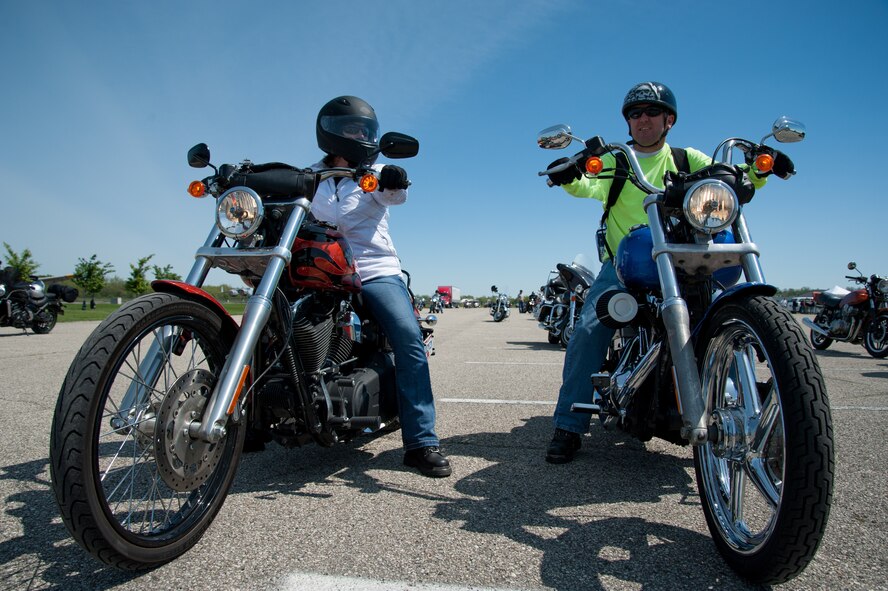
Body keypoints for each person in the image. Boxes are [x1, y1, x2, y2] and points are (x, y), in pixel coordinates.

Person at [542, 81, 794, 463]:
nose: (642, 119)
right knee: (589, 330)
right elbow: (585, 183)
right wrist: (569, 173)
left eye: (652, 112)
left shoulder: (686, 159)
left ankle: (737, 400)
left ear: (668, 120)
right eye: (635, 114)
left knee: (715, 313)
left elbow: (726, 179)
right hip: (626, 263)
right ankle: (568, 425)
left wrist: (761, 166)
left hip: (684, 258)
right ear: (628, 122)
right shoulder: (617, 159)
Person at [309, 95, 451, 477]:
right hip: (322, 270)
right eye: (352, 129)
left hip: (372, 269)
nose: (360, 136)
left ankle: (421, 442)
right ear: (332, 132)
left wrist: (394, 178)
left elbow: (395, 193)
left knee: (408, 338)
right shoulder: (309, 176)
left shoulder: (374, 173)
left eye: (364, 130)